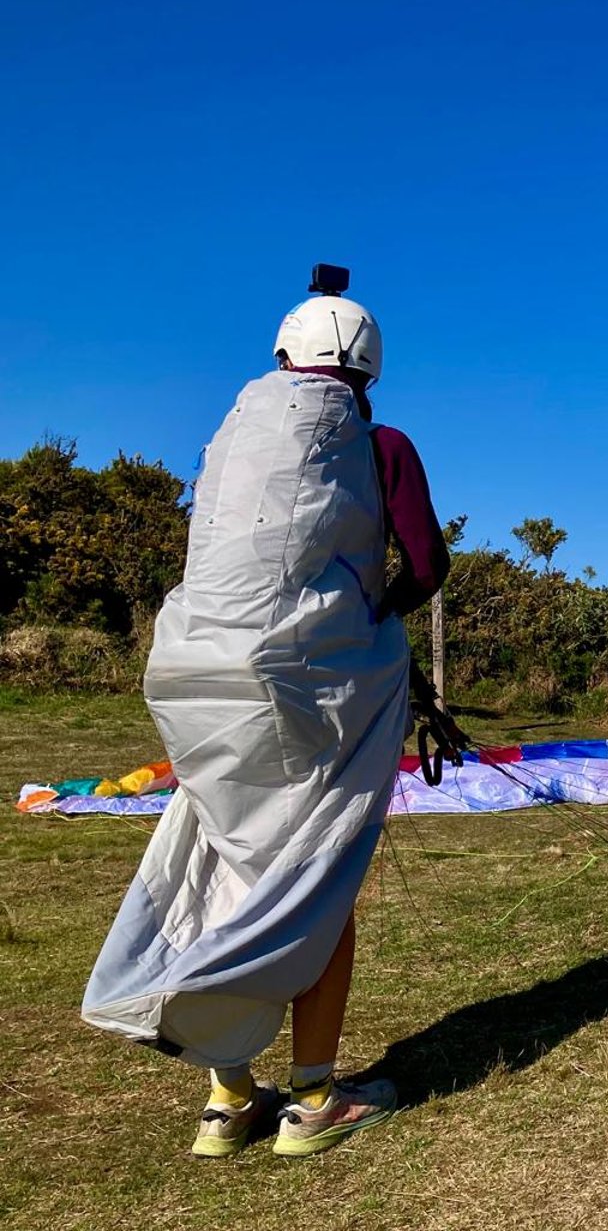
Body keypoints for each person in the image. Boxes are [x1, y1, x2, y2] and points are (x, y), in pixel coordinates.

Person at [82, 271, 449, 1159]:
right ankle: (315, 1100)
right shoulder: (379, 443)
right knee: (317, 883)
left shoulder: (230, 442)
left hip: (194, 678)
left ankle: (229, 1099)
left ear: (283, 356)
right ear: (367, 367)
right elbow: (425, 564)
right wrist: (372, 620)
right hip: (306, 690)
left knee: (230, 868)